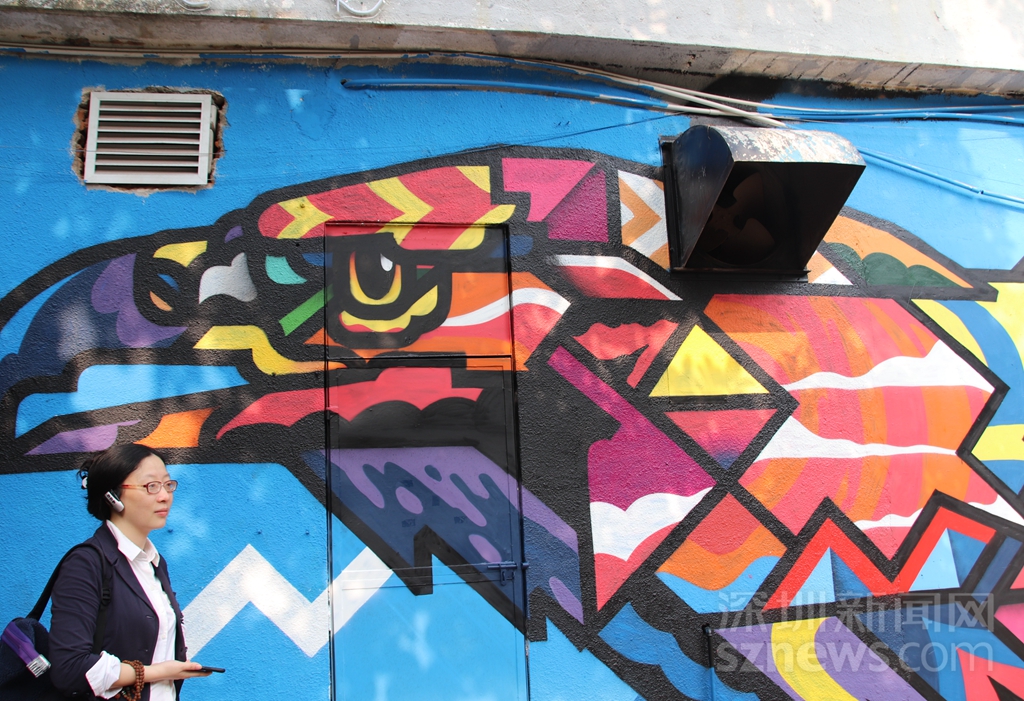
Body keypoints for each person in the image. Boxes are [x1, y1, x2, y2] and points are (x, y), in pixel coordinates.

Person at [47, 444, 211, 700]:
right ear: (113, 496)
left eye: (168, 484)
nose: (164, 496)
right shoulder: (86, 563)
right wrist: (156, 672)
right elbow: (69, 667)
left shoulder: (154, 563)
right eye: (151, 486)